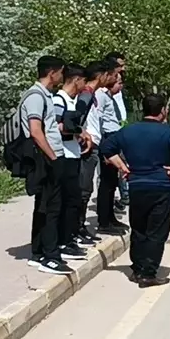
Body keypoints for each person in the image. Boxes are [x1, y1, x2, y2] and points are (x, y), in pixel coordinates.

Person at [100, 93, 170, 288]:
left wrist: (121, 166)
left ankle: (137, 268)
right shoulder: (167, 131)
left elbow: (106, 147)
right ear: (162, 111)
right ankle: (148, 273)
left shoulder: (128, 131)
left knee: (139, 228)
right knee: (157, 231)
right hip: (161, 186)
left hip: (137, 186)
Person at [19, 56, 74, 274]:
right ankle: (50, 256)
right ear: (52, 73)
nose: (62, 76)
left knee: (45, 207)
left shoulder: (44, 95)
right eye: (61, 72)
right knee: (52, 208)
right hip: (46, 158)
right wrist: (53, 157)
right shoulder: (35, 96)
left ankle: (39, 252)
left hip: (48, 156)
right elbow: (35, 130)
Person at [53, 63, 96, 255]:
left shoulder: (71, 101)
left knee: (73, 200)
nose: (84, 86)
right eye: (83, 81)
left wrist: (80, 133)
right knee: (67, 202)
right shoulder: (59, 100)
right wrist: (77, 130)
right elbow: (55, 128)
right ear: (76, 80)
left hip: (73, 154)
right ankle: (63, 241)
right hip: (64, 156)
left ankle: (69, 238)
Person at [74, 60, 114, 242]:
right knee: (83, 189)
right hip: (86, 145)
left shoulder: (95, 94)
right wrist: (83, 136)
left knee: (87, 188)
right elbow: (78, 119)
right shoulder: (85, 95)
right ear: (101, 75)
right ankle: (77, 228)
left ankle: (79, 227)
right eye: (108, 74)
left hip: (95, 143)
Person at [94, 71, 128, 235]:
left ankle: (110, 217)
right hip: (106, 138)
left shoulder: (109, 96)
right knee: (106, 184)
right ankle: (104, 221)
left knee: (113, 182)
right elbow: (98, 120)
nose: (119, 84)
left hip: (113, 137)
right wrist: (105, 148)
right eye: (117, 80)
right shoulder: (100, 95)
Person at [104, 51, 130, 212]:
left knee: (122, 164)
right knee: (112, 170)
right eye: (120, 65)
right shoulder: (103, 92)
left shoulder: (118, 87)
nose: (123, 68)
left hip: (120, 130)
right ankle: (115, 199)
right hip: (109, 134)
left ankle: (124, 194)